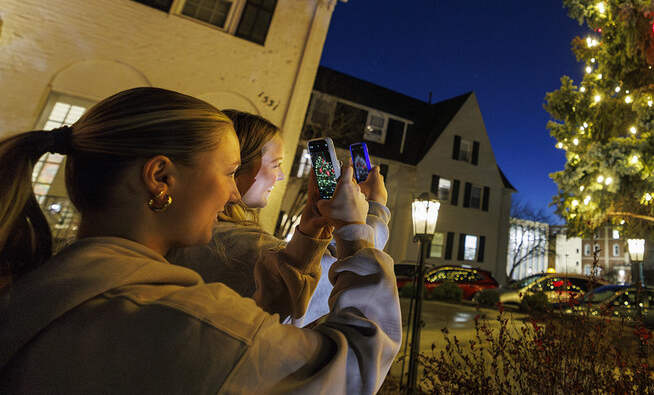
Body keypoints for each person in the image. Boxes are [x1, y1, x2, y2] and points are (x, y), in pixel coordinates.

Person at [0, 87, 400, 393]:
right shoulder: (180, 321)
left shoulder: (35, 284)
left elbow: (254, 321)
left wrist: (311, 233)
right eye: (228, 172)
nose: (232, 193)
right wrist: (357, 232)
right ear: (160, 179)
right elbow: (355, 366)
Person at [168, 110, 333, 321]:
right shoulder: (238, 246)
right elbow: (333, 285)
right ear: (237, 166)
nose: (281, 175)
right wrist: (361, 220)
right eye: (275, 164)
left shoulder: (187, 229)